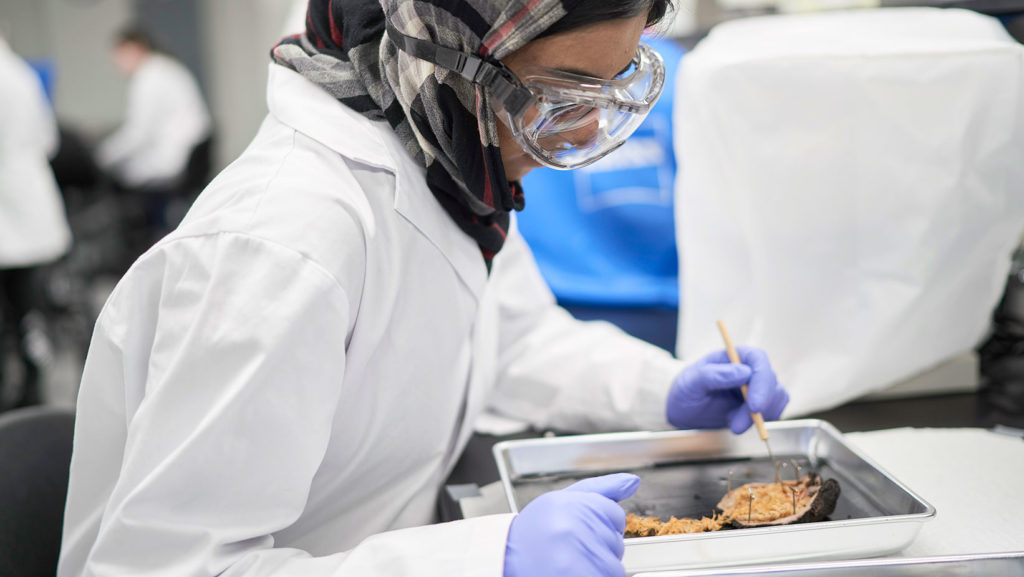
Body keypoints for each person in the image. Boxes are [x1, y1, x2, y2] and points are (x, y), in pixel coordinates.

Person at [58, 1, 790, 576]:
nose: (588, 129)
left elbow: (511, 340)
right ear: (451, 59)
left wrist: (664, 389)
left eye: (618, 77)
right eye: (563, 93)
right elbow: (163, 569)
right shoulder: (279, 248)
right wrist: (478, 559)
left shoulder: (448, 166)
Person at [0, 34, 72, 410]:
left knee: (13, 317)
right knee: (31, 313)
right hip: (36, 211)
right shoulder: (24, 76)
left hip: (10, 222)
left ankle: (19, 405)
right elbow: (49, 142)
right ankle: (34, 393)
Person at [95, 26, 212, 252]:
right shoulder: (165, 68)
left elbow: (138, 135)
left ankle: (142, 247)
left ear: (134, 49)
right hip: (187, 156)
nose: (117, 65)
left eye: (118, 57)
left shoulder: (148, 77)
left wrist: (102, 154)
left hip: (172, 162)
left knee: (118, 179)